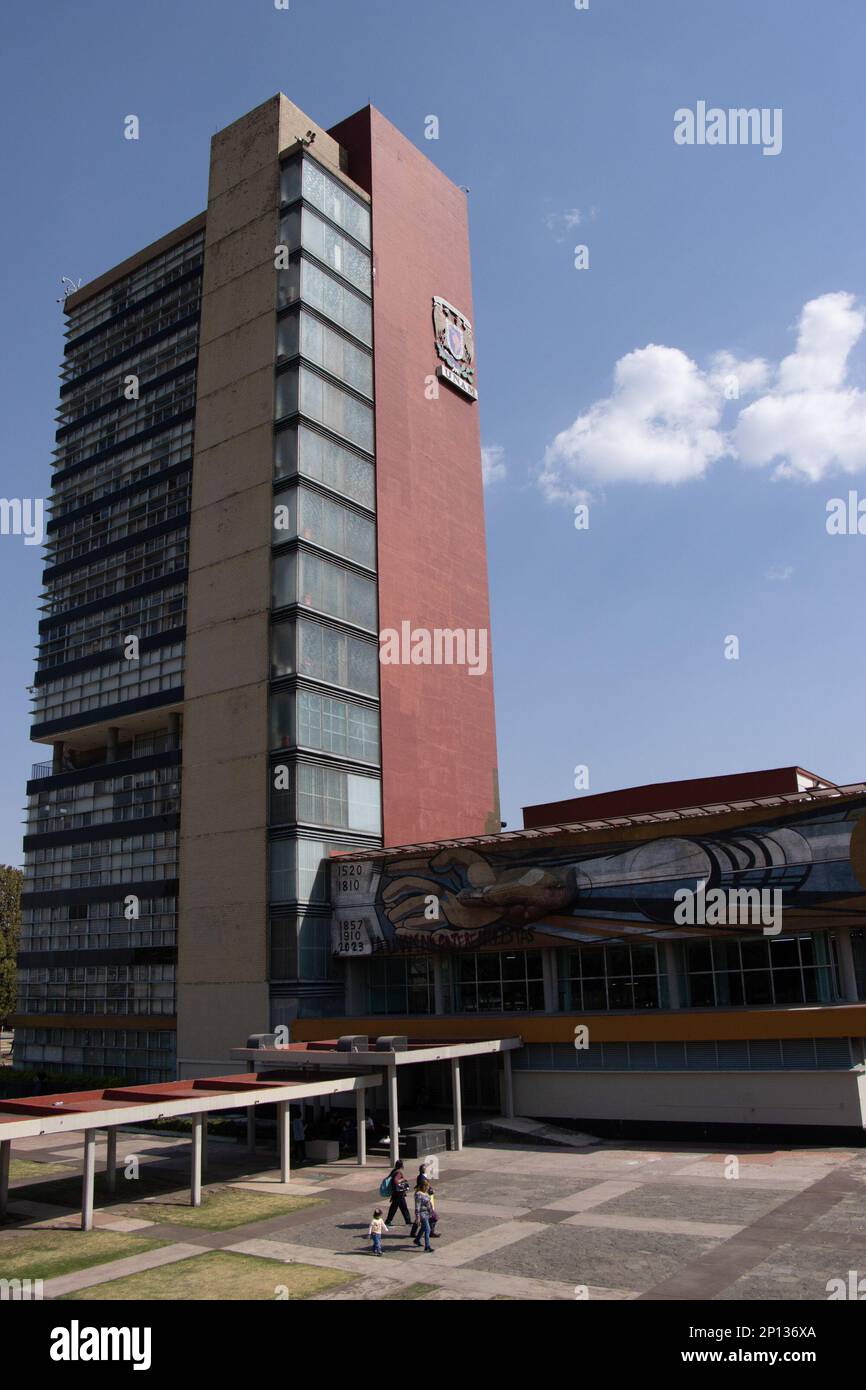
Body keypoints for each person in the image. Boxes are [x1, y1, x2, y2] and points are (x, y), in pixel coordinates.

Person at [384, 1159, 412, 1228]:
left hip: (397, 1193)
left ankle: (408, 1221)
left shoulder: (394, 1171)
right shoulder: (398, 1172)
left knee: (403, 1207)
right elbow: (395, 1181)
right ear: (401, 1165)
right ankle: (388, 1221)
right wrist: (403, 1179)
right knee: (395, 1208)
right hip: (398, 1193)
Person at [413, 1178, 435, 1252]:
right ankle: (427, 1246)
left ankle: (417, 1240)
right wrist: (417, 1217)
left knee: (423, 1228)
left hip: (427, 1213)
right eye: (427, 1186)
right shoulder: (419, 1194)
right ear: (424, 1186)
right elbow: (417, 1206)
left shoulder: (425, 1193)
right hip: (422, 1214)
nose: (428, 1187)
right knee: (427, 1229)